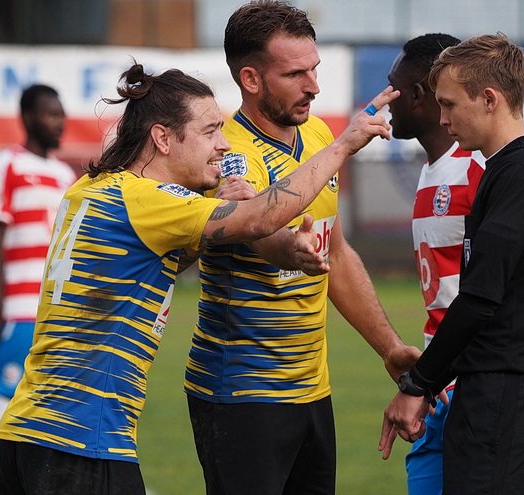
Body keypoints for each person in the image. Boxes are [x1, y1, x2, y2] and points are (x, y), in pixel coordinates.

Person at [0, 62, 397, 494]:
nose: (222, 145)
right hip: (80, 441)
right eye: (209, 132)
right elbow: (259, 219)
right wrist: (344, 144)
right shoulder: (148, 199)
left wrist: (217, 222)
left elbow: (149, 261)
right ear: (163, 139)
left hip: (23, 433)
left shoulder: (93, 189)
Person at [183, 2, 419, 494]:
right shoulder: (226, 152)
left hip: (312, 390)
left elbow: (334, 253)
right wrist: (298, 250)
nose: (313, 85)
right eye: (295, 73)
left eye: (315, 69)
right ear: (251, 78)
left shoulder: (315, 134)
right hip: (241, 392)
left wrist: (390, 349)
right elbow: (265, 236)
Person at [379, 33, 524, 494]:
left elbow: (482, 296)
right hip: (480, 387)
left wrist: (417, 384)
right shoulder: (503, 171)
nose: (442, 119)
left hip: (511, 394)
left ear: (489, 100)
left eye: (449, 104)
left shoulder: (519, 175)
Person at [0, 84, 76, 495]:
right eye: (51, 114)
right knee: (4, 391)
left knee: (50, 400)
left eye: (61, 114)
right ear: (28, 116)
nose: (59, 122)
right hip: (18, 306)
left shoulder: (66, 175)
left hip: (55, 308)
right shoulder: (7, 164)